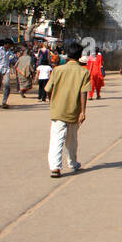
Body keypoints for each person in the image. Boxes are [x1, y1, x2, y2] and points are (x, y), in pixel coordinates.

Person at [46, 41, 91, 178]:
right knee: (72, 139)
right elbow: (84, 93)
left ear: (67, 55)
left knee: (56, 138)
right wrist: (83, 111)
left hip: (58, 110)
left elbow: (48, 89)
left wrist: (52, 101)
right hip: (73, 110)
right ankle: (72, 163)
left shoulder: (57, 70)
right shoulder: (83, 72)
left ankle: (55, 167)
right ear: (79, 56)